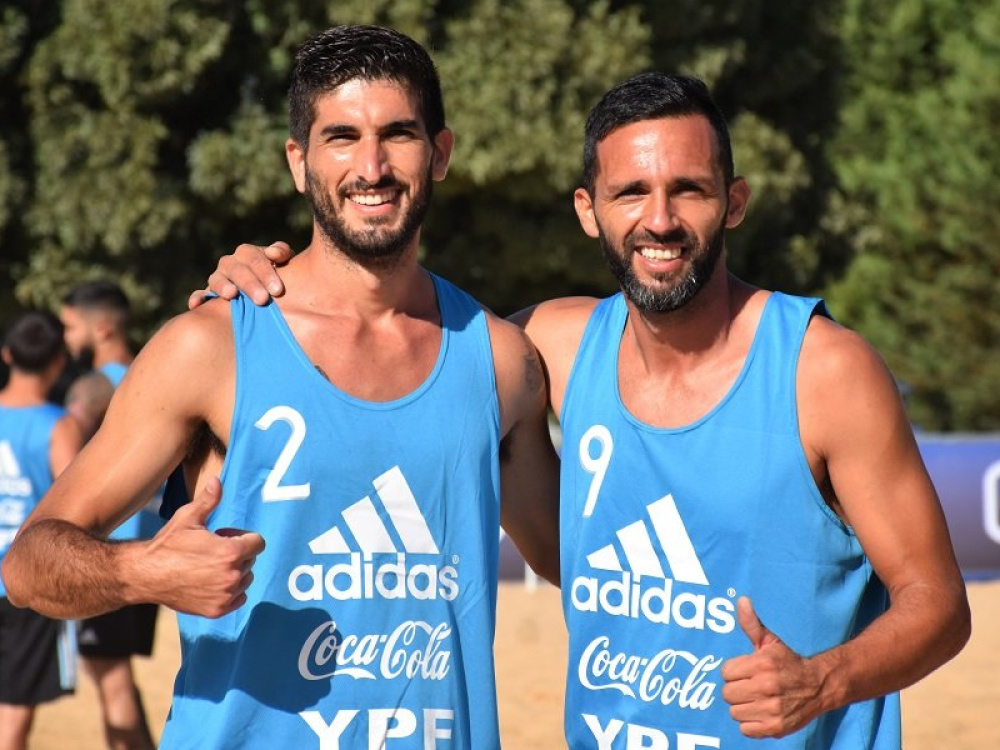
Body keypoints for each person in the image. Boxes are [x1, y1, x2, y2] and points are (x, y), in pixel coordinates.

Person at [204, 71, 971, 747]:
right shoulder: (551, 347)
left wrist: (823, 682)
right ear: (588, 209)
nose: (659, 219)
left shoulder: (823, 370)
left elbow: (938, 604)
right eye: (631, 192)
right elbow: (385, 351)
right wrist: (262, 284)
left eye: (689, 189)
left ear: (734, 202)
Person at [2, 25, 559, 749]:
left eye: (398, 134)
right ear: (299, 162)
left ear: (441, 153)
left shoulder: (501, 363)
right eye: (341, 138)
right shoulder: (212, 346)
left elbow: (575, 563)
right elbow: (28, 564)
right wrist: (142, 572)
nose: (371, 167)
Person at [60, 280, 158, 750]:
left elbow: (63, 452)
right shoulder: (156, 372)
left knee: (112, 685)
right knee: (119, 684)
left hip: (106, 550)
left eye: (69, 327)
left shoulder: (96, 387)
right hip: (148, 542)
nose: (65, 338)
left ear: (100, 329)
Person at [0, 311, 83, 750]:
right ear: (58, 362)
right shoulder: (59, 425)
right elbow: (75, 505)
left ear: (7, 354)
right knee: (13, 715)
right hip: (22, 582)